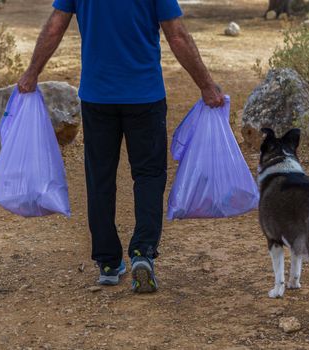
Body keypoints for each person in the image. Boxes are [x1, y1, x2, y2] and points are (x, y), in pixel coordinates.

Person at [18, 0, 225, 293]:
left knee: (100, 177)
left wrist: (32, 72)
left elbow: (55, 25)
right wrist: (205, 84)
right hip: (145, 97)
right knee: (149, 175)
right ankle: (142, 252)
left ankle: (108, 262)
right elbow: (176, 34)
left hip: (97, 97)